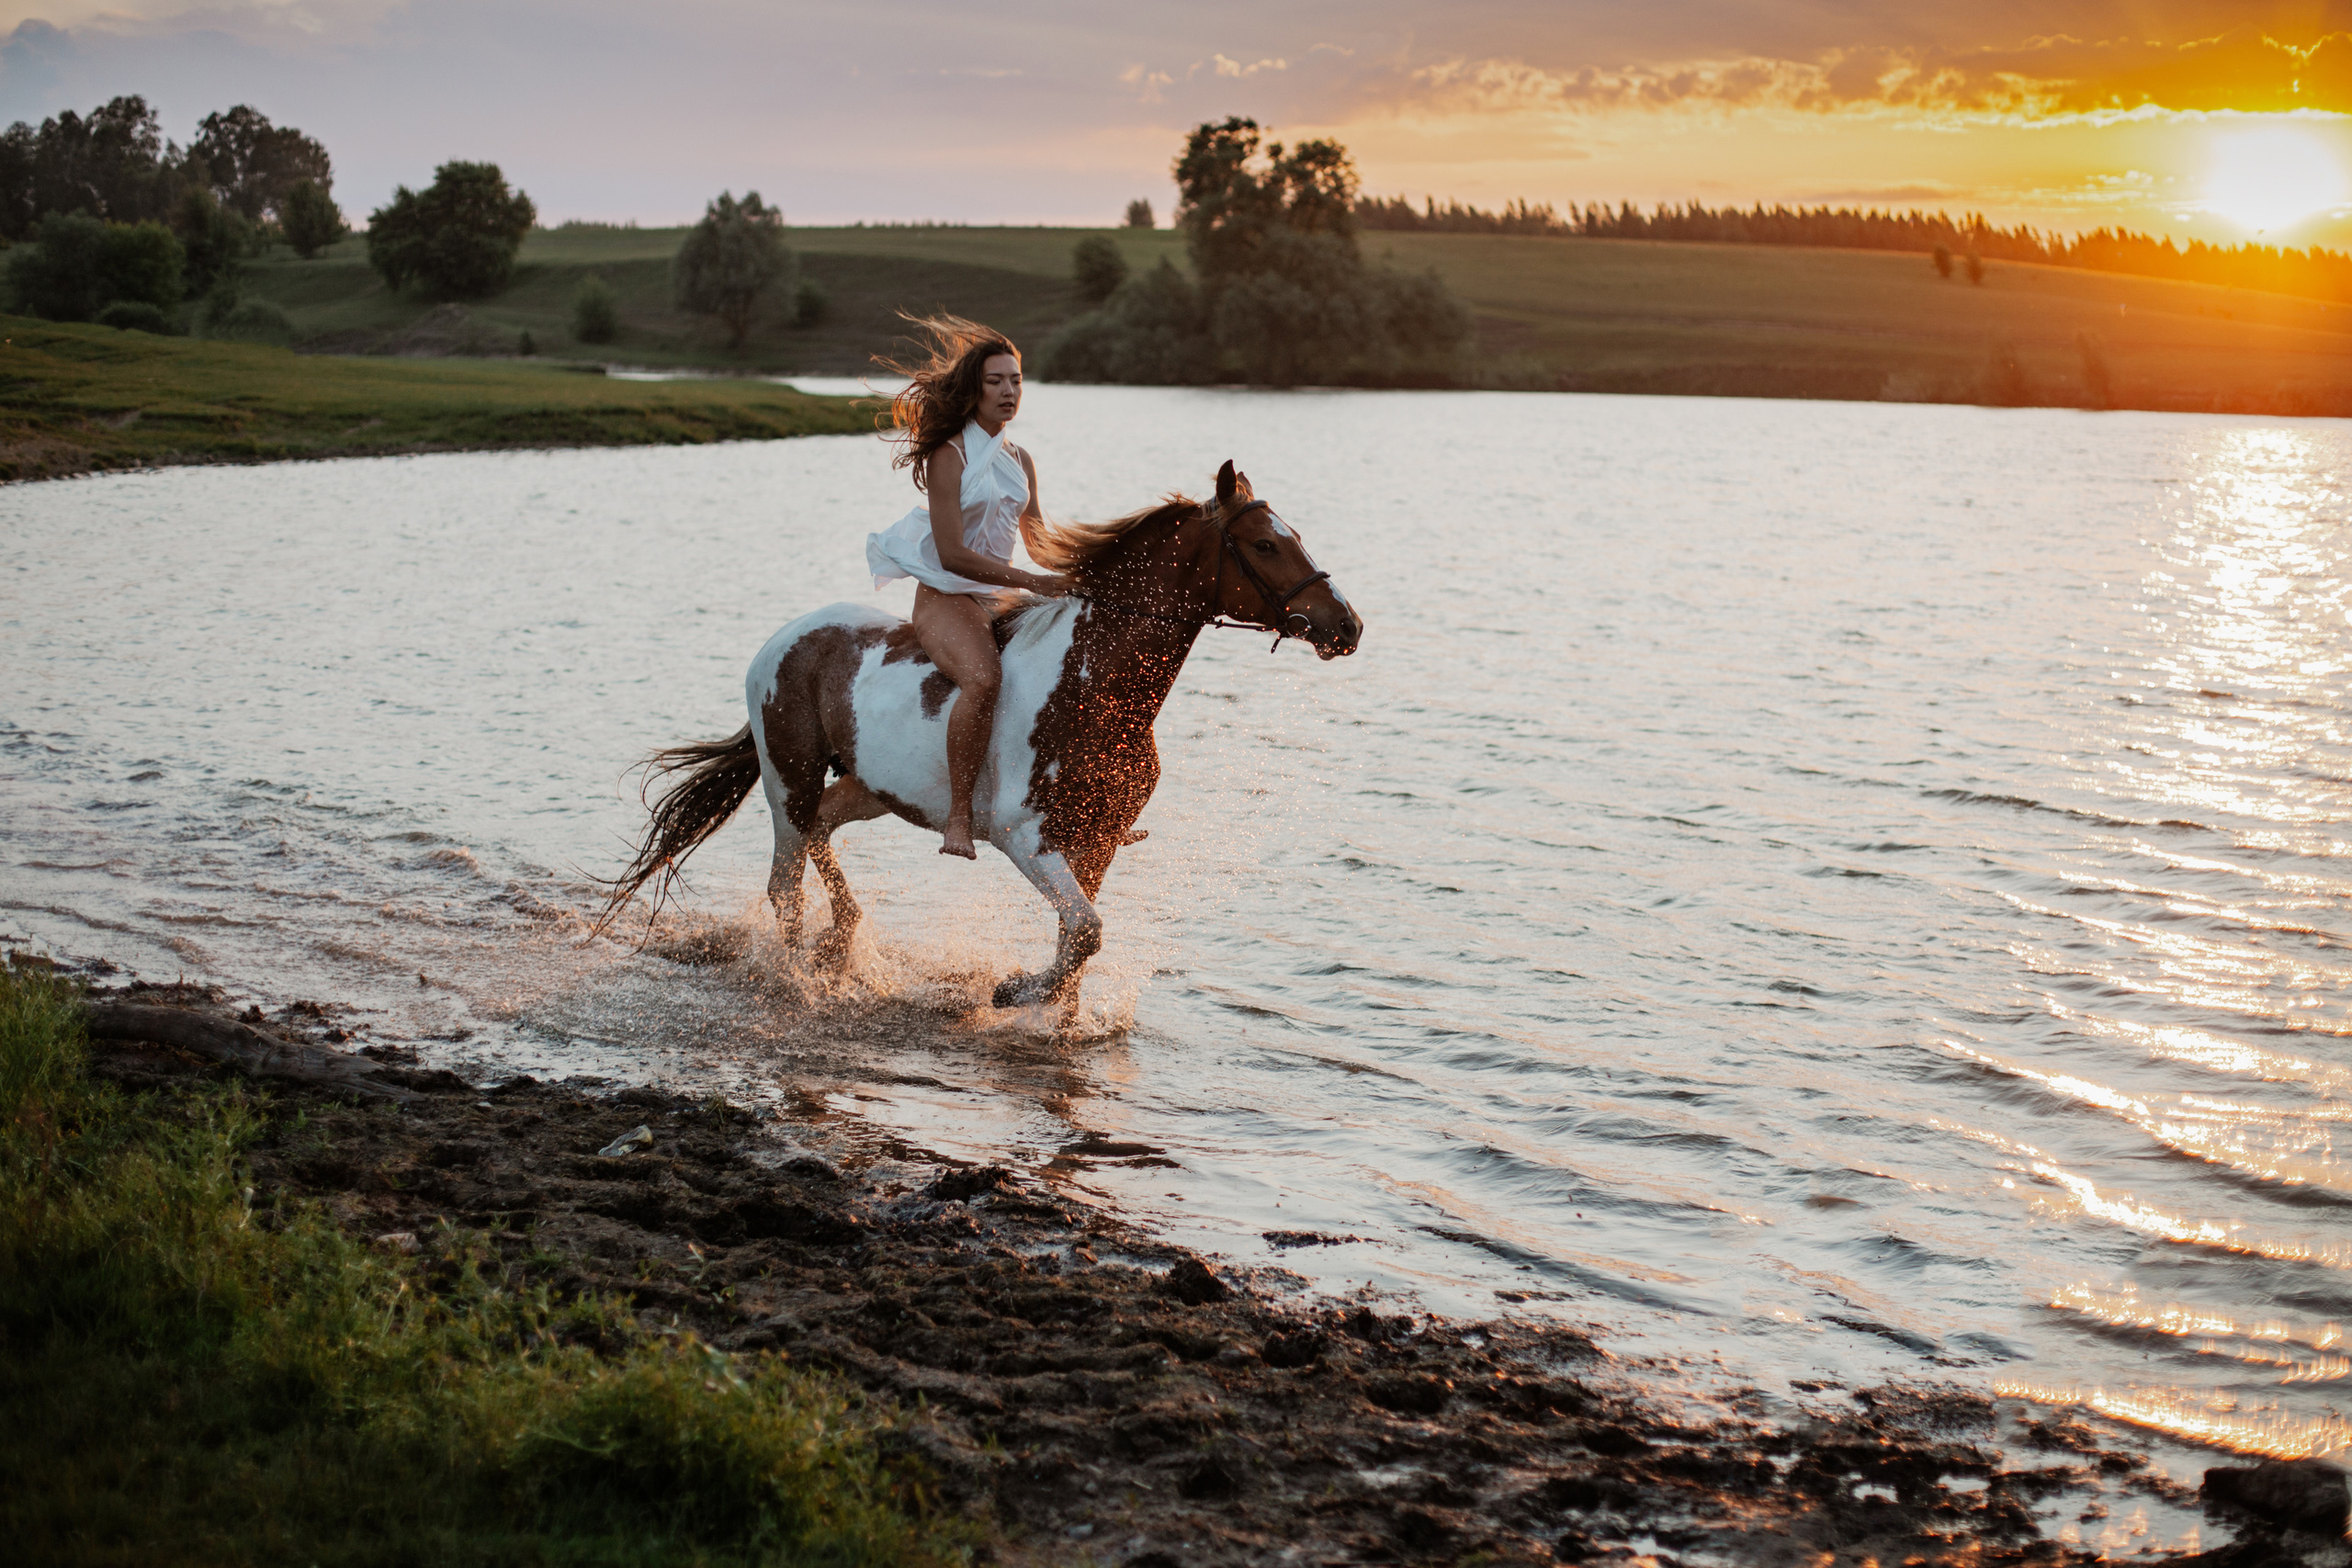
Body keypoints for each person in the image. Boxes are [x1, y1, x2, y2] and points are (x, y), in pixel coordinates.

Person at [866, 316, 1070, 860]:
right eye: (996, 381)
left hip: (1000, 595)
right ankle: (959, 817)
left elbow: (1038, 540)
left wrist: (1085, 572)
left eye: (1016, 381)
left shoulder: (1020, 459)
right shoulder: (949, 456)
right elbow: (953, 554)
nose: (1009, 392)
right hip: (946, 595)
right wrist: (1031, 582)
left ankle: (1077, 800)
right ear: (974, 389)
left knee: (1070, 667)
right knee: (982, 680)